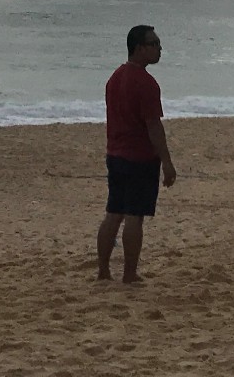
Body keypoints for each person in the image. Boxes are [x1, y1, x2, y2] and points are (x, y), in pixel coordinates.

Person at [97, 24, 177, 283]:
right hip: (138, 157)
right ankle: (129, 273)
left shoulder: (115, 77)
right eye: (154, 44)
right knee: (133, 216)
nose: (159, 49)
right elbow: (153, 126)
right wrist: (166, 161)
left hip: (116, 154)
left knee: (114, 212)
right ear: (140, 48)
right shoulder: (146, 83)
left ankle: (104, 271)